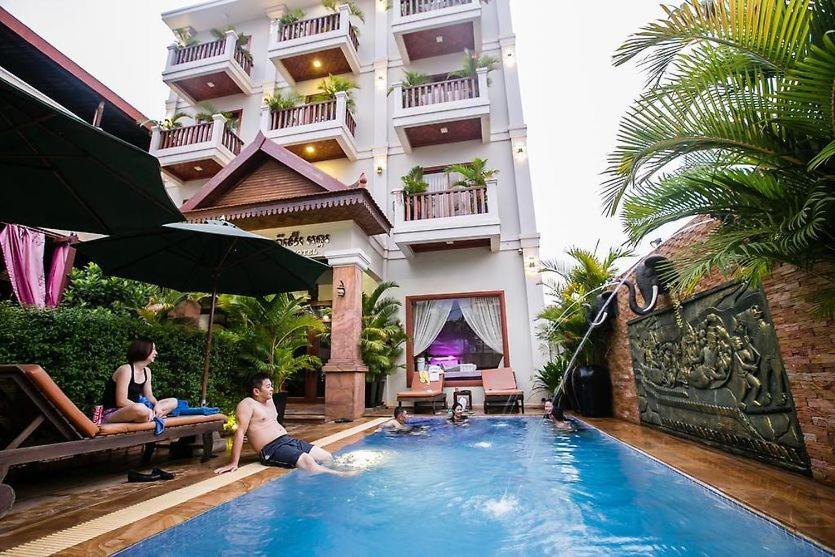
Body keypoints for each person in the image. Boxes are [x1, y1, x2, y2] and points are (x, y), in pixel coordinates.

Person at [215, 373, 355, 477]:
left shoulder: (269, 401)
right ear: (256, 391)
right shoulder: (247, 404)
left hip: (288, 440)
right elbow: (240, 433)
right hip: (271, 449)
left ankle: (342, 470)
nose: (271, 389)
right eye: (268, 386)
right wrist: (234, 462)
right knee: (307, 461)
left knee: (326, 456)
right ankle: (339, 475)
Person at [101, 339, 177, 424]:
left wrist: (157, 406)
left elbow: (149, 396)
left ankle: (153, 414)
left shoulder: (147, 371)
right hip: (114, 412)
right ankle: (150, 415)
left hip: (138, 408)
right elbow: (121, 401)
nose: (156, 353)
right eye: (153, 349)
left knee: (173, 401)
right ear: (144, 350)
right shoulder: (126, 370)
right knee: (140, 409)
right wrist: (145, 409)